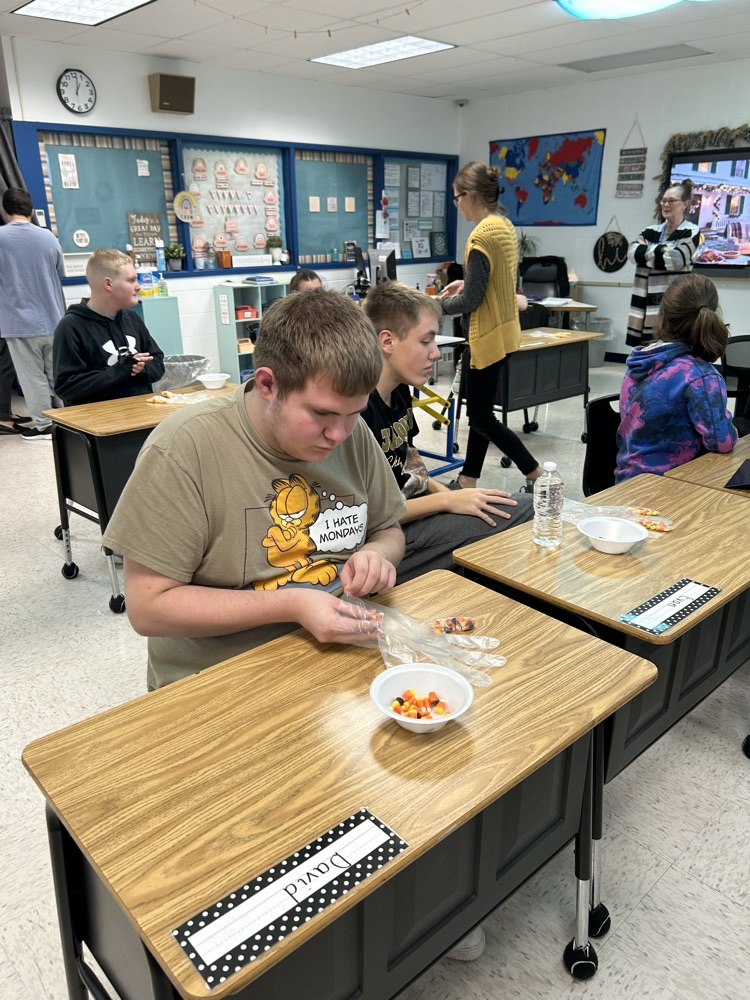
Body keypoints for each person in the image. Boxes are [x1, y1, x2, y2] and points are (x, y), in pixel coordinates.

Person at [102, 289, 406, 690]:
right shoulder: (183, 449)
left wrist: (375, 554)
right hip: (222, 676)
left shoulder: (352, 433)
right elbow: (148, 608)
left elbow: (389, 529)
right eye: (321, 414)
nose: (339, 434)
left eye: (354, 413)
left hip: (334, 655)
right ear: (267, 385)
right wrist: (293, 603)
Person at [362, 281, 533, 583]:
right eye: (426, 341)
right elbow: (370, 515)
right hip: (390, 537)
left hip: (414, 512)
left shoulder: (400, 390)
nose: (436, 354)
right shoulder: (357, 412)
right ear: (387, 341)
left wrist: (456, 494)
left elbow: (411, 463)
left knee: (501, 505)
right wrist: (447, 502)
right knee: (525, 510)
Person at [440, 161, 543, 492]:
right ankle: (469, 477)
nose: (457, 204)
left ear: (470, 196)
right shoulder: (504, 226)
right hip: (505, 330)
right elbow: (497, 281)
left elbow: (472, 301)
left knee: (483, 418)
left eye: (457, 197)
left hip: (484, 336)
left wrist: (433, 306)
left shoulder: (481, 235)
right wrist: (464, 283)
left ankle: (535, 474)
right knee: (479, 412)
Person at [616, 273, 737, 482]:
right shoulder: (700, 375)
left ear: (662, 319)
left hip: (628, 481)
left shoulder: (640, 361)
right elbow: (722, 442)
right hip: (669, 487)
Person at [53, 249, 165, 406]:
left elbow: (158, 363)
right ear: (108, 284)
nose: (138, 286)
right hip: (99, 421)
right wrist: (121, 370)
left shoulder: (131, 318)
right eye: (131, 280)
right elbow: (67, 387)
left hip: (141, 412)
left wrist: (142, 369)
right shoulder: (71, 327)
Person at [0, 187, 65, 440]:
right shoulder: (48, 237)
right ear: (30, 210)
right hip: (53, 318)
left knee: (32, 377)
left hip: (19, 322)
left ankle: (43, 426)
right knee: (54, 373)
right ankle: (64, 419)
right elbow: (58, 271)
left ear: (5, 211)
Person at [626, 179, 701, 347]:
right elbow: (631, 253)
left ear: (685, 204)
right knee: (645, 351)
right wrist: (661, 250)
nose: (666, 205)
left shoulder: (691, 230)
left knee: (669, 348)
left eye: (672, 201)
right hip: (645, 302)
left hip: (672, 302)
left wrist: (647, 253)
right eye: (664, 201)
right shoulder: (651, 230)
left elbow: (676, 260)